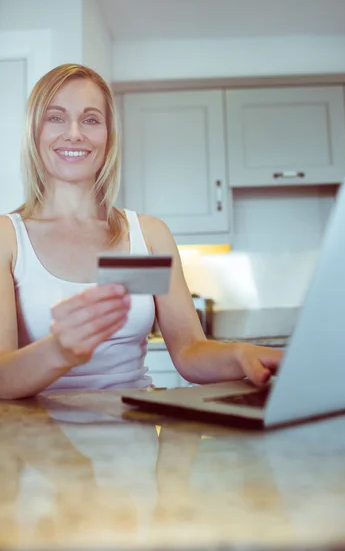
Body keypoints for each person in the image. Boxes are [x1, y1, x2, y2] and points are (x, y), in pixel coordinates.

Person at [0, 64, 282, 400]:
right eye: (56, 117)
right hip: (39, 443)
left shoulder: (144, 237)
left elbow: (189, 351)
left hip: (137, 438)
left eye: (91, 119)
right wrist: (59, 351)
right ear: (35, 132)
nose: (74, 133)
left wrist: (238, 354)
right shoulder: (9, 239)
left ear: (108, 136)